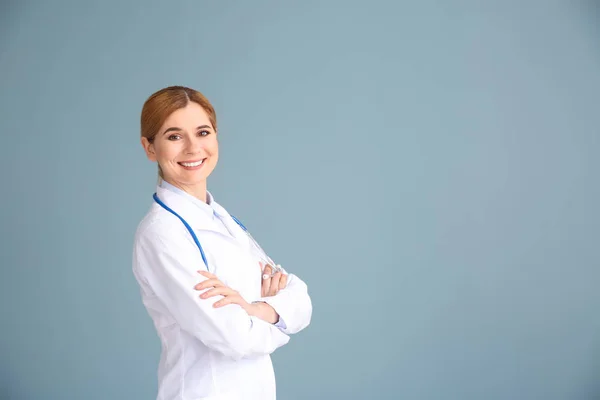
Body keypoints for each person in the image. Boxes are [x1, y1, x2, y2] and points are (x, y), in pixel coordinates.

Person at [132, 86, 312, 400]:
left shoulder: (221, 219)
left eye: (202, 132)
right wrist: (276, 316)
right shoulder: (162, 234)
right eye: (174, 136)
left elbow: (301, 301)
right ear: (149, 148)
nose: (192, 148)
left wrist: (253, 308)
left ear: (216, 137)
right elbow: (236, 338)